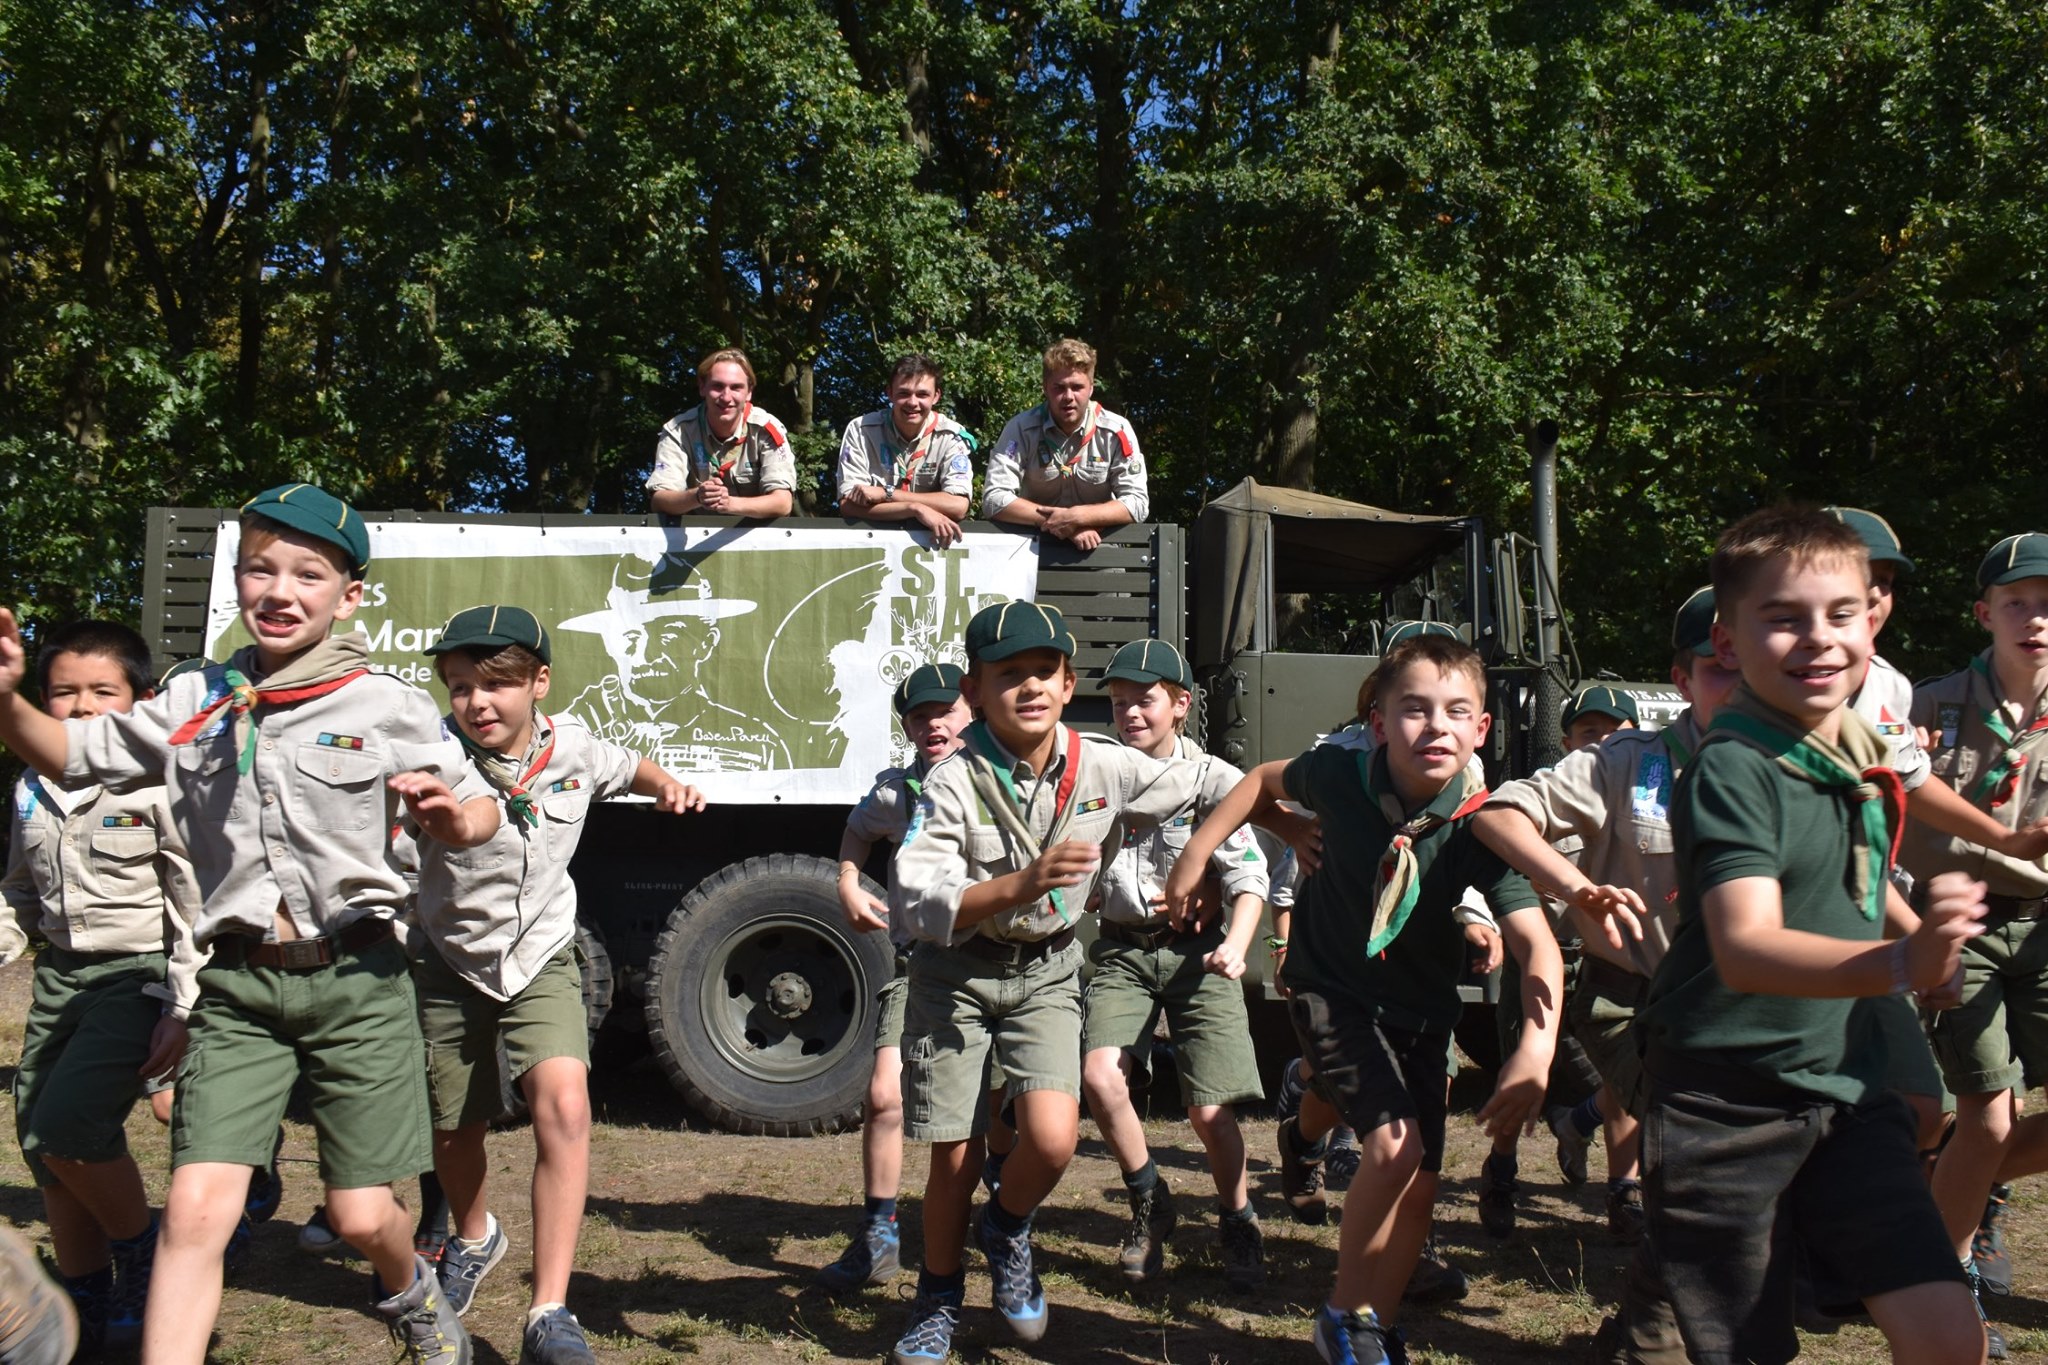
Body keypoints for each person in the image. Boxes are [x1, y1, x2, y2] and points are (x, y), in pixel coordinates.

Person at [0, 483, 504, 1365]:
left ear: (350, 596)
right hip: (235, 984)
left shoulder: (381, 702)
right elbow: (74, 754)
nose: (280, 589)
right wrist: (10, 701)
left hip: (359, 980)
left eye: (308, 573)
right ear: (236, 581)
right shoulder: (196, 696)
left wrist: (449, 819)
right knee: (194, 1213)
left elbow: (479, 810)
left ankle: (410, 1288)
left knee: (359, 1213)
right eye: (260, 568)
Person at [1633, 505, 1988, 1365]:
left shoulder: (1857, 750)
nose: (1818, 639)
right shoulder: (1734, 765)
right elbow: (1746, 945)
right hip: (1726, 1103)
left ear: (1874, 618)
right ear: (1727, 639)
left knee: (1949, 1337)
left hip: (1848, 1088)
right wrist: (1903, 960)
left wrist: (1924, 951)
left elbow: (1852, 887)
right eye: (1783, 617)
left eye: (1842, 614)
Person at [884, 601, 1272, 1363]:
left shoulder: (1101, 760)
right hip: (956, 975)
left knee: (1055, 1139)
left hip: (1047, 972)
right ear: (975, 688)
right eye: (1008, 675)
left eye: (1044, 673)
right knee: (954, 1158)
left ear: (1068, 684)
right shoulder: (952, 778)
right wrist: (1019, 884)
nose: (1028, 687)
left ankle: (1007, 1225)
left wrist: (1278, 818)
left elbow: (1196, 780)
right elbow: (914, 895)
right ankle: (937, 1297)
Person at [1168, 632, 1568, 1364]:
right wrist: (1209, 849)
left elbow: (1539, 945)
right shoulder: (1343, 777)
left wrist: (1536, 1050)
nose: (1435, 725)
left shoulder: (1478, 823)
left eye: (1456, 711)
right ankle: (1341, 1311)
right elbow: (1261, 779)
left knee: (1418, 1189)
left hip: (1422, 1016)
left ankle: (1375, 1325)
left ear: (1481, 729)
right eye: (1414, 709)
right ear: (1379, 722)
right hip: (1331, 989)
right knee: (1393, 1143)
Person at [409, 606, 706, 1362]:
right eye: (461, 685)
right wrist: (448, 823)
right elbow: (472, 819)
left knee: (565, 1105)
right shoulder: (436, 754)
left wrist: (665, 783)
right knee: (454, 1127)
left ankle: (549, 1310)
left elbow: (622, 764)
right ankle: (473, 1233)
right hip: (450, 958)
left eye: (497, 684)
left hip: (541, 950)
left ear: (539, 681)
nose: (478, 702)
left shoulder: (571, 747)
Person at [1472, 588, 1736, 1364]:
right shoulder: (1631, 762)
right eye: (1717, 670)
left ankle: (1651, 1324)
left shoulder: (1806, 762)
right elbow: (1499, 813)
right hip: (1636, 996)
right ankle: (1651, 1334)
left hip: (1750, 1002)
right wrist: (1576, 886)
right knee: (1692, 1153)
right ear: (1682, 679)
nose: (1740, 685)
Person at [0, 622, 203, 1350]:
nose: (81, 707)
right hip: (59, 978)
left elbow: (192, 904)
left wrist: (182, 1004)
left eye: (101, 692)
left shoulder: (160, 783)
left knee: (70, 1126)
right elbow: (21, 894)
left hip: (137, 975)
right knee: (36, 1136)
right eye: (62, 691)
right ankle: (82, 1293)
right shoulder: (31, 784)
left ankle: (142, 1247)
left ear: (141, 701)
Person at [1079, 639, 1269, 1290]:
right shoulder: (1098, 774)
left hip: (1198, 950)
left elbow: (1249, 872)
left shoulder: (1212, 779)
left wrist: (1237, 941)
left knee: (1210, 1110)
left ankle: (1238, 1215)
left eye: (1145, 699)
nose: (1130, 712)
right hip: (1124, 948)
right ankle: (1149, 1200)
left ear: (1181, 705)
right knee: (1101, 1076)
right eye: (1118, 701)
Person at [1910, 530, 2048, 1350]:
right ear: (1984, 612)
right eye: (2018, 602)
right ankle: (1944, 1280)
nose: (2035, 619)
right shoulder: (1933, 705)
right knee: (1987, 1118)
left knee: (1984, 1138)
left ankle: (1941, 1194)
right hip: (1962, 919)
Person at [816, 663, 973, 1295]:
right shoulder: (899, 790)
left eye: (946, 710)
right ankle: (878, 1238)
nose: (933, 723)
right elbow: (857, 832)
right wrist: (849, 881)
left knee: (991, 1118)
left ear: (972, 711)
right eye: (918, 715)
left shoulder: (999, 777)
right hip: (918, 964)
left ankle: (1004, 1226)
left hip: (985, 969)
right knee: (884, 1096)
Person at [557, 554, 791, 771]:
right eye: (631, 636)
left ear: (706, 642)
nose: (646, 655)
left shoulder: (758, 744)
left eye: (668, 636)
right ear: (609, 643)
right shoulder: (571, 732)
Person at [982, 339, 1148, 551]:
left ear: (1091, 388)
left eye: (1077, 387)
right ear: (1045, 388)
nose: (1068, 397)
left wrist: (1078, 518)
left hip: (1101, 554)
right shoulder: (1020, 429)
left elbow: (1137, 503)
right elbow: (994, 499)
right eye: (1059, 388)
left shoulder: (1116, 431)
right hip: (1034, 552)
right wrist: (1061, 525)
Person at [837, 354, 977, 547]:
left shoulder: (951, 435)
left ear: (936, 396)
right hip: (872, 546)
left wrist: (887, 494)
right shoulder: (861, 430)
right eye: (904, 393)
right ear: (890, 393)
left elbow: (958, 506)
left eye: (922, 394)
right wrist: (915, 508)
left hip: (933, 548)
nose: (913, 402)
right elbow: (848, 506)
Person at [646, 347, 796, 519]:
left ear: (749, 392)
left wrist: (729, 503)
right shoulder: (679, 431)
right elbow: (659, 500)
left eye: (736, 387)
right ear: (702, 387)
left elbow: (783, 503)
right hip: (694, 540)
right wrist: (697, 497)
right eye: (718, 386)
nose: (726, 397)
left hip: (756, 540)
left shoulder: (766, 430)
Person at [1561, 685, 1639, 752]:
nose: (1604, 740)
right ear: (1568, 745)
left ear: (1639, 740)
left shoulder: (1649, 767)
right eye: (1590, 731)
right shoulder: (1560, 769)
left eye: (1617, 732)